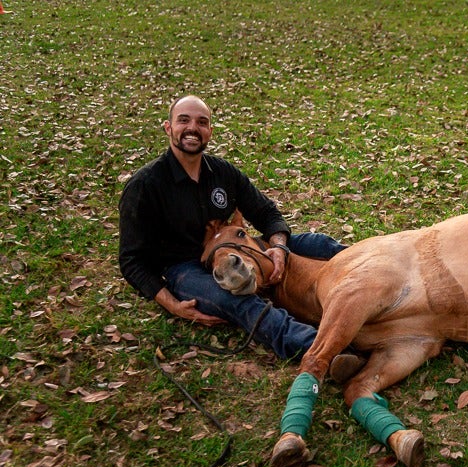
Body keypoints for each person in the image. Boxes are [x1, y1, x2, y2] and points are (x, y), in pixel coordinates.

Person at [118, 95, 360, 370]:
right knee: (238, 301)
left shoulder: (223, 172)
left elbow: (267, 214)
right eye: (183, 120)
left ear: (209, 131)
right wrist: (171, 303)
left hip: (240, 244)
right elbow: (131, 260)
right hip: (184, 267)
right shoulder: (145, 186)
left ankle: (384, 271)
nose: (192, 128)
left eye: (201, 122)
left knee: (317, 243)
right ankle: (328, 349)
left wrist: (279, 246)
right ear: (168, 127)